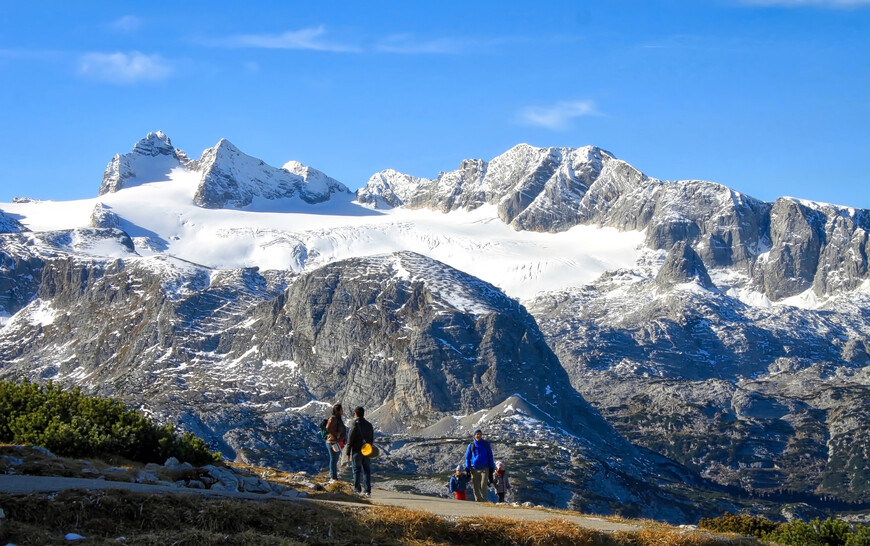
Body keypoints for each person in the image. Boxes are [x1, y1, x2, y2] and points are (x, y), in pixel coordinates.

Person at [344, 406, 375, 497]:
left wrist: (348, 452)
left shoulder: (354, 424)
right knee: (366, 470)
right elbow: (371, 438)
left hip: (357, 451)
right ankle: (367, 491)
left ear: (356, 414)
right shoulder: (369, 425)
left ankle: (357, 490)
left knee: (356, 470)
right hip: (366, 450)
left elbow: (350, 439)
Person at [464, 429, 495, 502]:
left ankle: (484, 500)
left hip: (485, 468)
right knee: (475, 486)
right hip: (474, 468)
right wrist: (468, 468)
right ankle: (478, 500)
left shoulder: (486, 444)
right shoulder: (471, 445)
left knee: (483, 485)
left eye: (479, 434)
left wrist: (491, 467)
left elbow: (490, 455)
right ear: (474, 435)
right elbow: (467, 458)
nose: (478, 435)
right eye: (477, 434)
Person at [324, 403, 346, 482]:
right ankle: (333, 477)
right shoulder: (333, 418)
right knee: (333, 460)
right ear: (338, 410)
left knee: (335, 460)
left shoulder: (337, 418)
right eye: (341, 409)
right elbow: (328, 427)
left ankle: (334, 477)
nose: (342, 411)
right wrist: (336, 434)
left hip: (336, 442)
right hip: (333, 442)